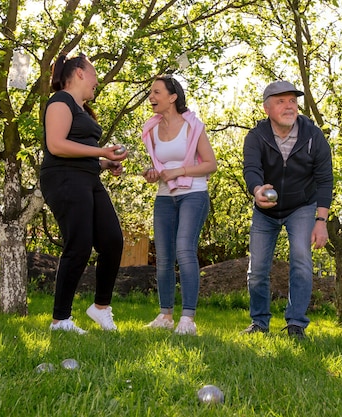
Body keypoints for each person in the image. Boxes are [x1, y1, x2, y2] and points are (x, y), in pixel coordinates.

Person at [40, 53, 127, 334]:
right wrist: (101, 151)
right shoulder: (60, 102)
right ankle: (60, 321)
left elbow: (79, 151)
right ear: (78, 73)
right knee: (78, 245)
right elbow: (56, 145)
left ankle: (100, 308)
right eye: (93, 73)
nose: (96, 80)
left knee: (112, 240)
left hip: (87, 178)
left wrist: (104, 162)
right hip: (63, 178)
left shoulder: (82, 109)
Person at [242, 80, 333, 340]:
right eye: (281, 101)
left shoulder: (313, 136)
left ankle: (296, 325)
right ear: (267, 108)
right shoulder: (256, 136)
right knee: (257, 269)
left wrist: (321, 220)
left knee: (301, 262)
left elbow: (325, 179)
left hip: (301, 207)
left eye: (292, 101)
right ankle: (259, 322)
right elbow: (251, 169)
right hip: (265, 211)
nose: (289, 106)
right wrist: (258, 190)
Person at [141, 75, 217, 336]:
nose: (151, 97)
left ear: (172, 97)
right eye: (150, 92)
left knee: (184, 250)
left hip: (193, 194)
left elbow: (210, 164)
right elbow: (161, 166)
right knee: (163, 257)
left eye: (156, 92)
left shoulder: (192, 126)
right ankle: (165, 315)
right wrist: (153, 173)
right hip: (164, 196)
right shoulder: (150, 129)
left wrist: (179, 171)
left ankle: (188, 319)